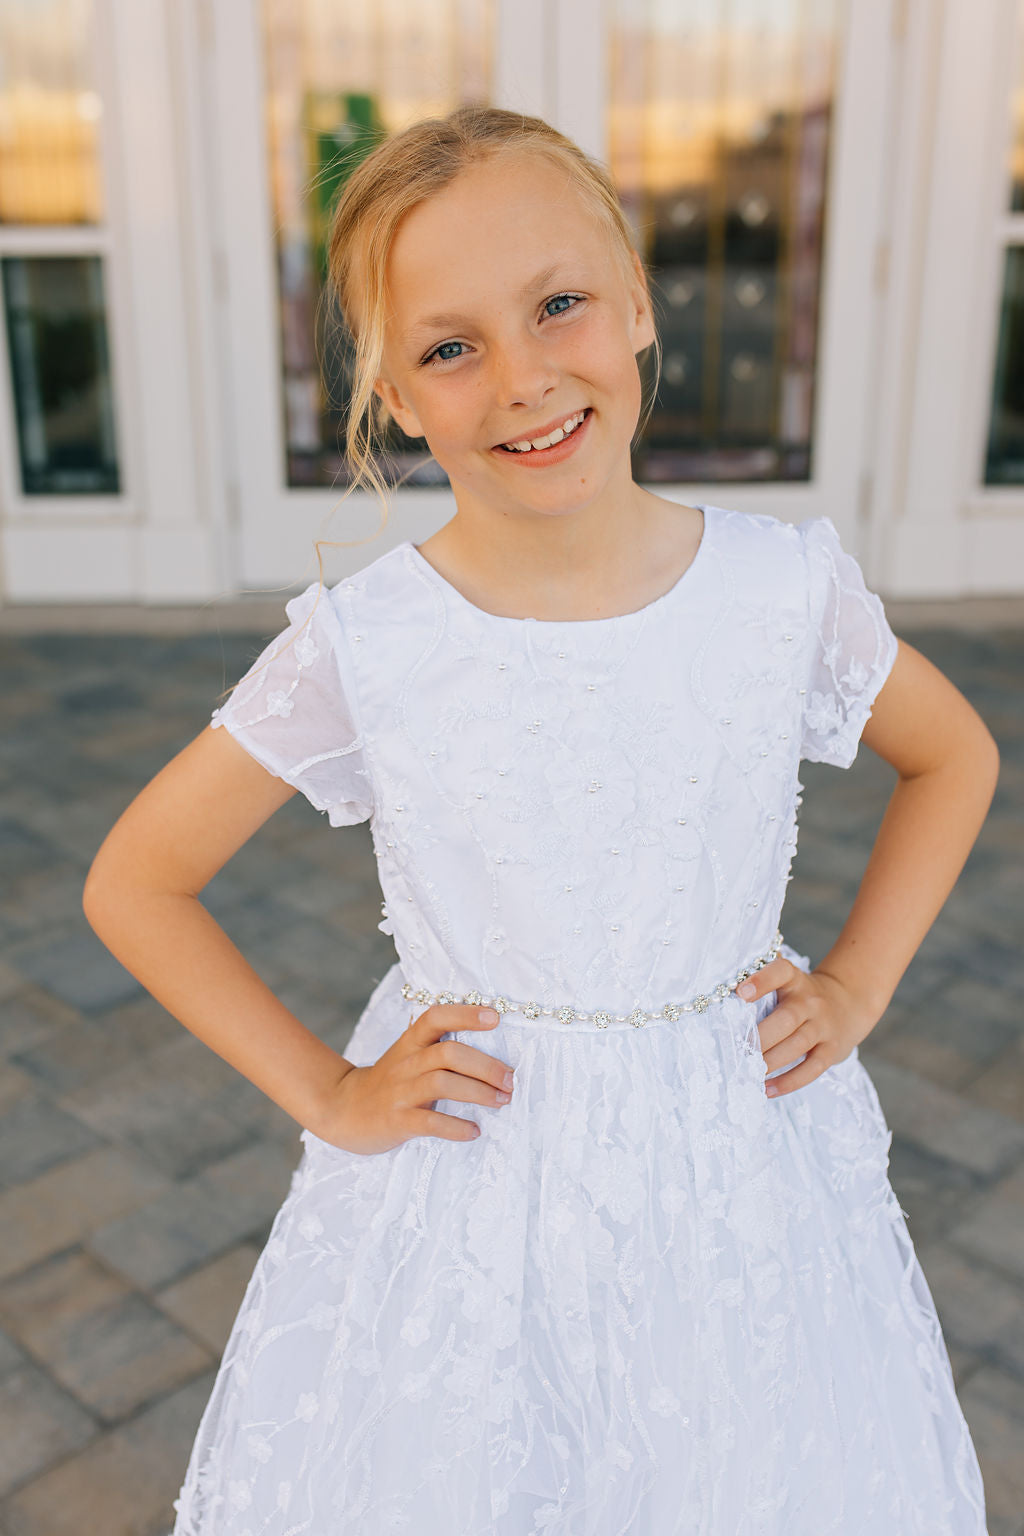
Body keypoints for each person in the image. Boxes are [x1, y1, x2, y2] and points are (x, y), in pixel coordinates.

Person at [83, 105, 998, 1535]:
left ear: (636, 304)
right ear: (395, 394)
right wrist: (331, 1093)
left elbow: (956, 757)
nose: (522, 378)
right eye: (450, 347)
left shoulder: (778, 593)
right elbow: (138, 881)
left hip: (731, 1162)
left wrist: (860, 984)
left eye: (557, 305)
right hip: (469, 1182)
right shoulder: (371, 641)